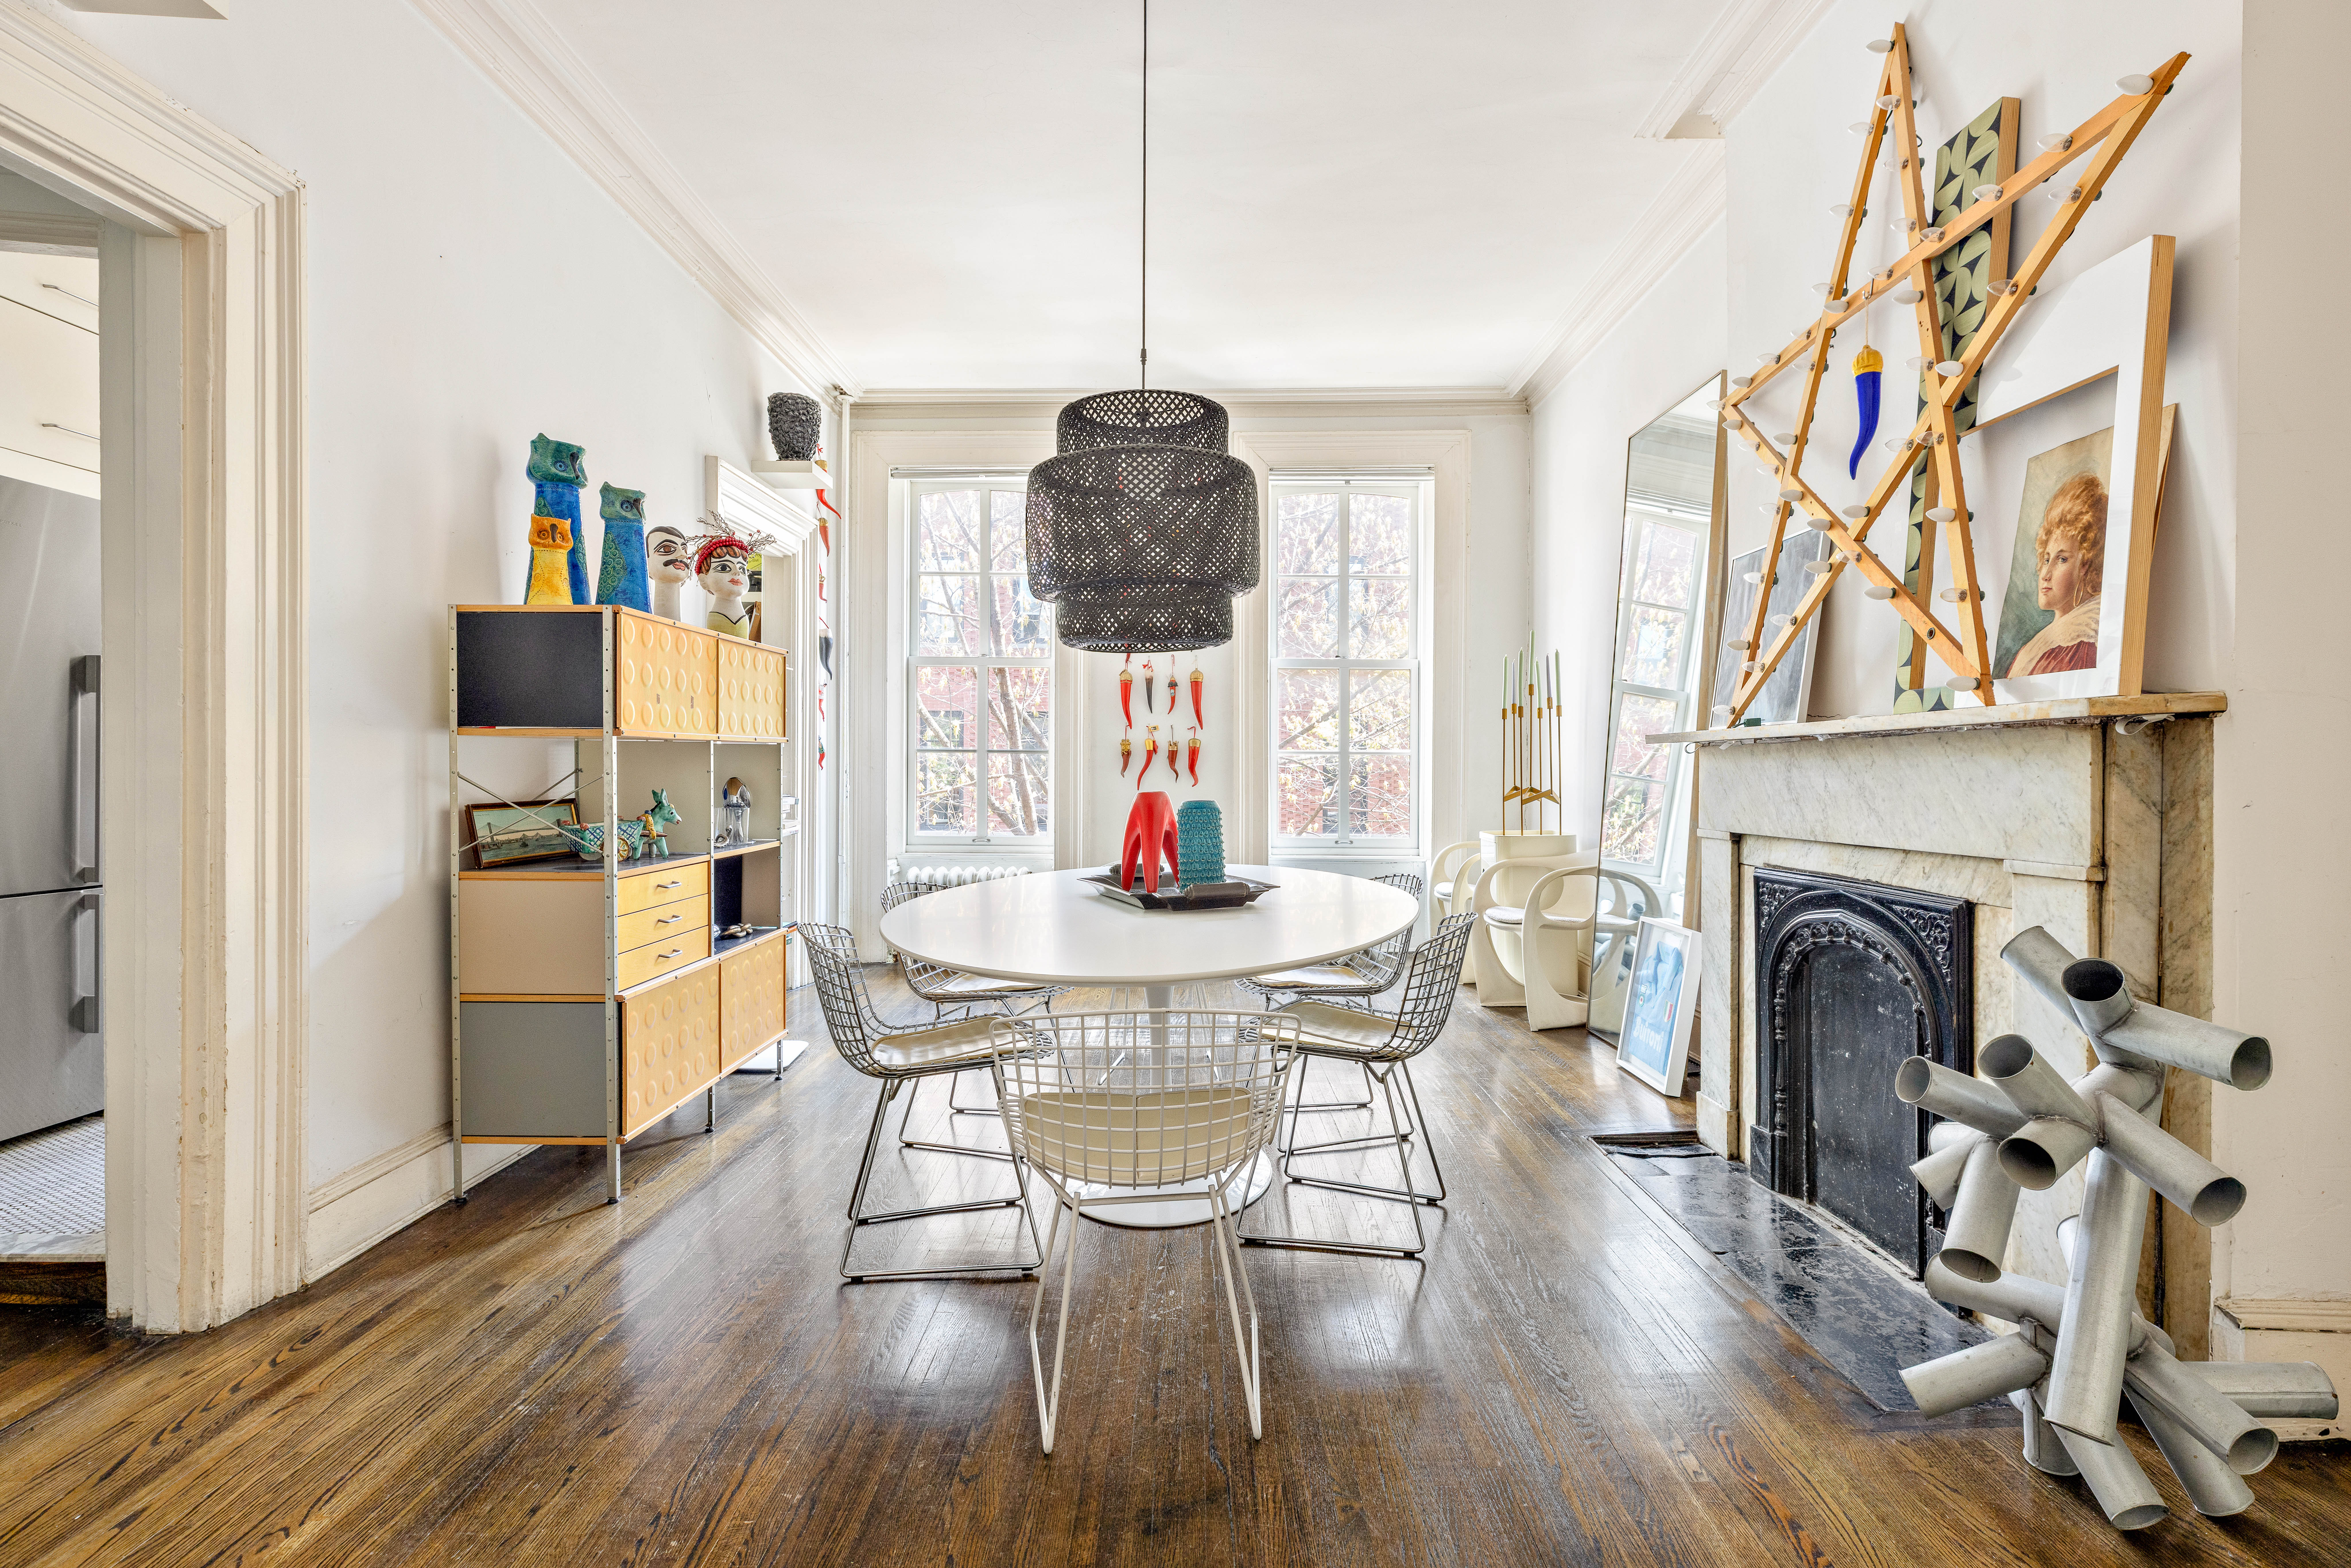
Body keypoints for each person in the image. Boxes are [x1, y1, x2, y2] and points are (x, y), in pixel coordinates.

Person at [2006, 471, 2106, 677]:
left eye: (2062, 560)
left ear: (2087, 565)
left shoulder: (2081, 644)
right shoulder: (2049, 640)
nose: (2045, 574)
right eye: (2046, 560)